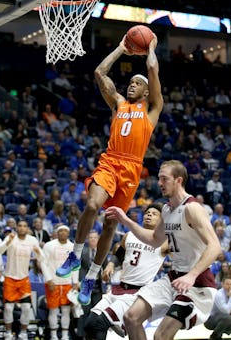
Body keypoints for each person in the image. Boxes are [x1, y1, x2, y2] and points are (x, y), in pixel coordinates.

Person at [56, 31, 163, 306]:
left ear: (147, 91)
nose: (131, 85)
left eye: (137, 83)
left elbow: (151, 67)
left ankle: (92, 276)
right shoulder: (118, 104)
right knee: (92, 206)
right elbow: (99, 72)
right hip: (110, 161)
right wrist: (119, 48)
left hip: (131, 170)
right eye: (129, 82)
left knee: (110, 225)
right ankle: (75, 255)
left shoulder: (152, 109)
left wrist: (150, 45)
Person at [105, 160, 221, 340]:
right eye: (159, 178)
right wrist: (125, 220)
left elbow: (215, 247)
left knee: (161, 336)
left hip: (197, 283)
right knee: (131, 317)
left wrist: (191, 276)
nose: (159, 183)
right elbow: (153, 240)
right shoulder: (167, 209)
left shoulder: (192, 208)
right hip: (174, 277)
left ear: (178, 180)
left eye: (164, 179)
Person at [84, 203, 168, 340]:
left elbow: (181, 255)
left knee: (100, 324)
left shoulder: (164, 241)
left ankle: (118, 321)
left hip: (137, 293)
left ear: (161, 220)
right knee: (89, 324)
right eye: (147, 213)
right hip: (119, 288)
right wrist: (111, 264)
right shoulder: (129, 235)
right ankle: (118, 321)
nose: (149, 215)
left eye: (154, 214)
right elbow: (120, 252)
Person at [0, 220, 43, 340]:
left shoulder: (32, 240)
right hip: (10, 278)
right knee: (8, 308)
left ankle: (23, 332)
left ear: (27, 228)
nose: (22, 228)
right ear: (16, 227)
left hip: (24, 279)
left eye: (24, 226)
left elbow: (42, 257)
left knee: (26, 307)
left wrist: (38, 253)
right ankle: (8, 332)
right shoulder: (10, 237)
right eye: (20, 226)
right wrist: (8, 242)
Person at [40, 225, 78, 340]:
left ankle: (65, 336)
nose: (62, 233)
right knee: (53, 309)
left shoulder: (73, 247)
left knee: (66, 310)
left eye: (65, 231)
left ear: (68, 233)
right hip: (53, 283)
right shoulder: (49, 245)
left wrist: (75, 282)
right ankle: (53, 335)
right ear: (56, 233)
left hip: (67, 283)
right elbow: (43, 263)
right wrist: (48, 279)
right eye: (60, 231)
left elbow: (75, 266)